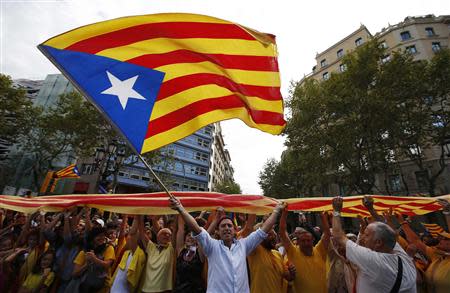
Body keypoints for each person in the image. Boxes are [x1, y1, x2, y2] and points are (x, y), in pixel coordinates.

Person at [169, 194, 286, 293]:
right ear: (218, 232)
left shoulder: (244, 245)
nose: (226, 228)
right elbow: (196, 228)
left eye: (229, 225)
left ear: (235, 230)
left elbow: (264, 230)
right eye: (223, 226)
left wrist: (276, 211)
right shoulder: (212, 246)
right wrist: (180, 208)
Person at [331, 196, 416, 293]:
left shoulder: (373, 260)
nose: (362, 238)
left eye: (366, 235)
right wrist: (371, 209)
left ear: (378, 242)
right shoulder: (402, 256)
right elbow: (386, 231)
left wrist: (336, 210)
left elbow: (338, 235)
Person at [279, 209, 330, 293]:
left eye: (308, 240)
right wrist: (284, 212)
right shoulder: (293, 252)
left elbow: (327, 233)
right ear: (297, 242)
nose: (306, 243)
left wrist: (322, 214)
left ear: (313, 240)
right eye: (303, 241)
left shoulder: (320, 251)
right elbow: (282, 232)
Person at [137, 215, 175, 293]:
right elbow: (141, 231)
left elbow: (177, 229)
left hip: (163, 291)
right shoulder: (151, 247)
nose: (167, 235)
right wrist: (139, 215)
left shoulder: (171, 249)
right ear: (157, 237)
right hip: (146, 290)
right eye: (164, 234)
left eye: (169, 235)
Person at [72, 227, 115, 293]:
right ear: (92, 238)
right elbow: (74, 274)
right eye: (99, 236)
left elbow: (107, 265)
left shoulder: (109, 248)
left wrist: (94, 259)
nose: (102, 238)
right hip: (84, 288)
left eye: (103, 236)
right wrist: (86, 265)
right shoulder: (84, 252)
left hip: (102, 288)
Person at [110, 216, 146, 293]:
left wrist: (138, 218)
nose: (128, 238)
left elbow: (132, 234)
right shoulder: (127, 253)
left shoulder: (139, 253)